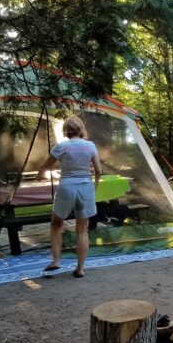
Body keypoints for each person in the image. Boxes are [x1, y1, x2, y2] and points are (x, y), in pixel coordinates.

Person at [38, 116, 102, 278]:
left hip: (67, 187)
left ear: (66, 131)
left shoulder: (61, 146)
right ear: (81, 130)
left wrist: (41, 174)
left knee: (56, 224)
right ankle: (80, 269)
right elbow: (98, 170)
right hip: (85, 187)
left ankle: (56, 261)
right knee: (82, 230)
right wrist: (94, 186)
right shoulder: (90, 146)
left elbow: (46, 166)